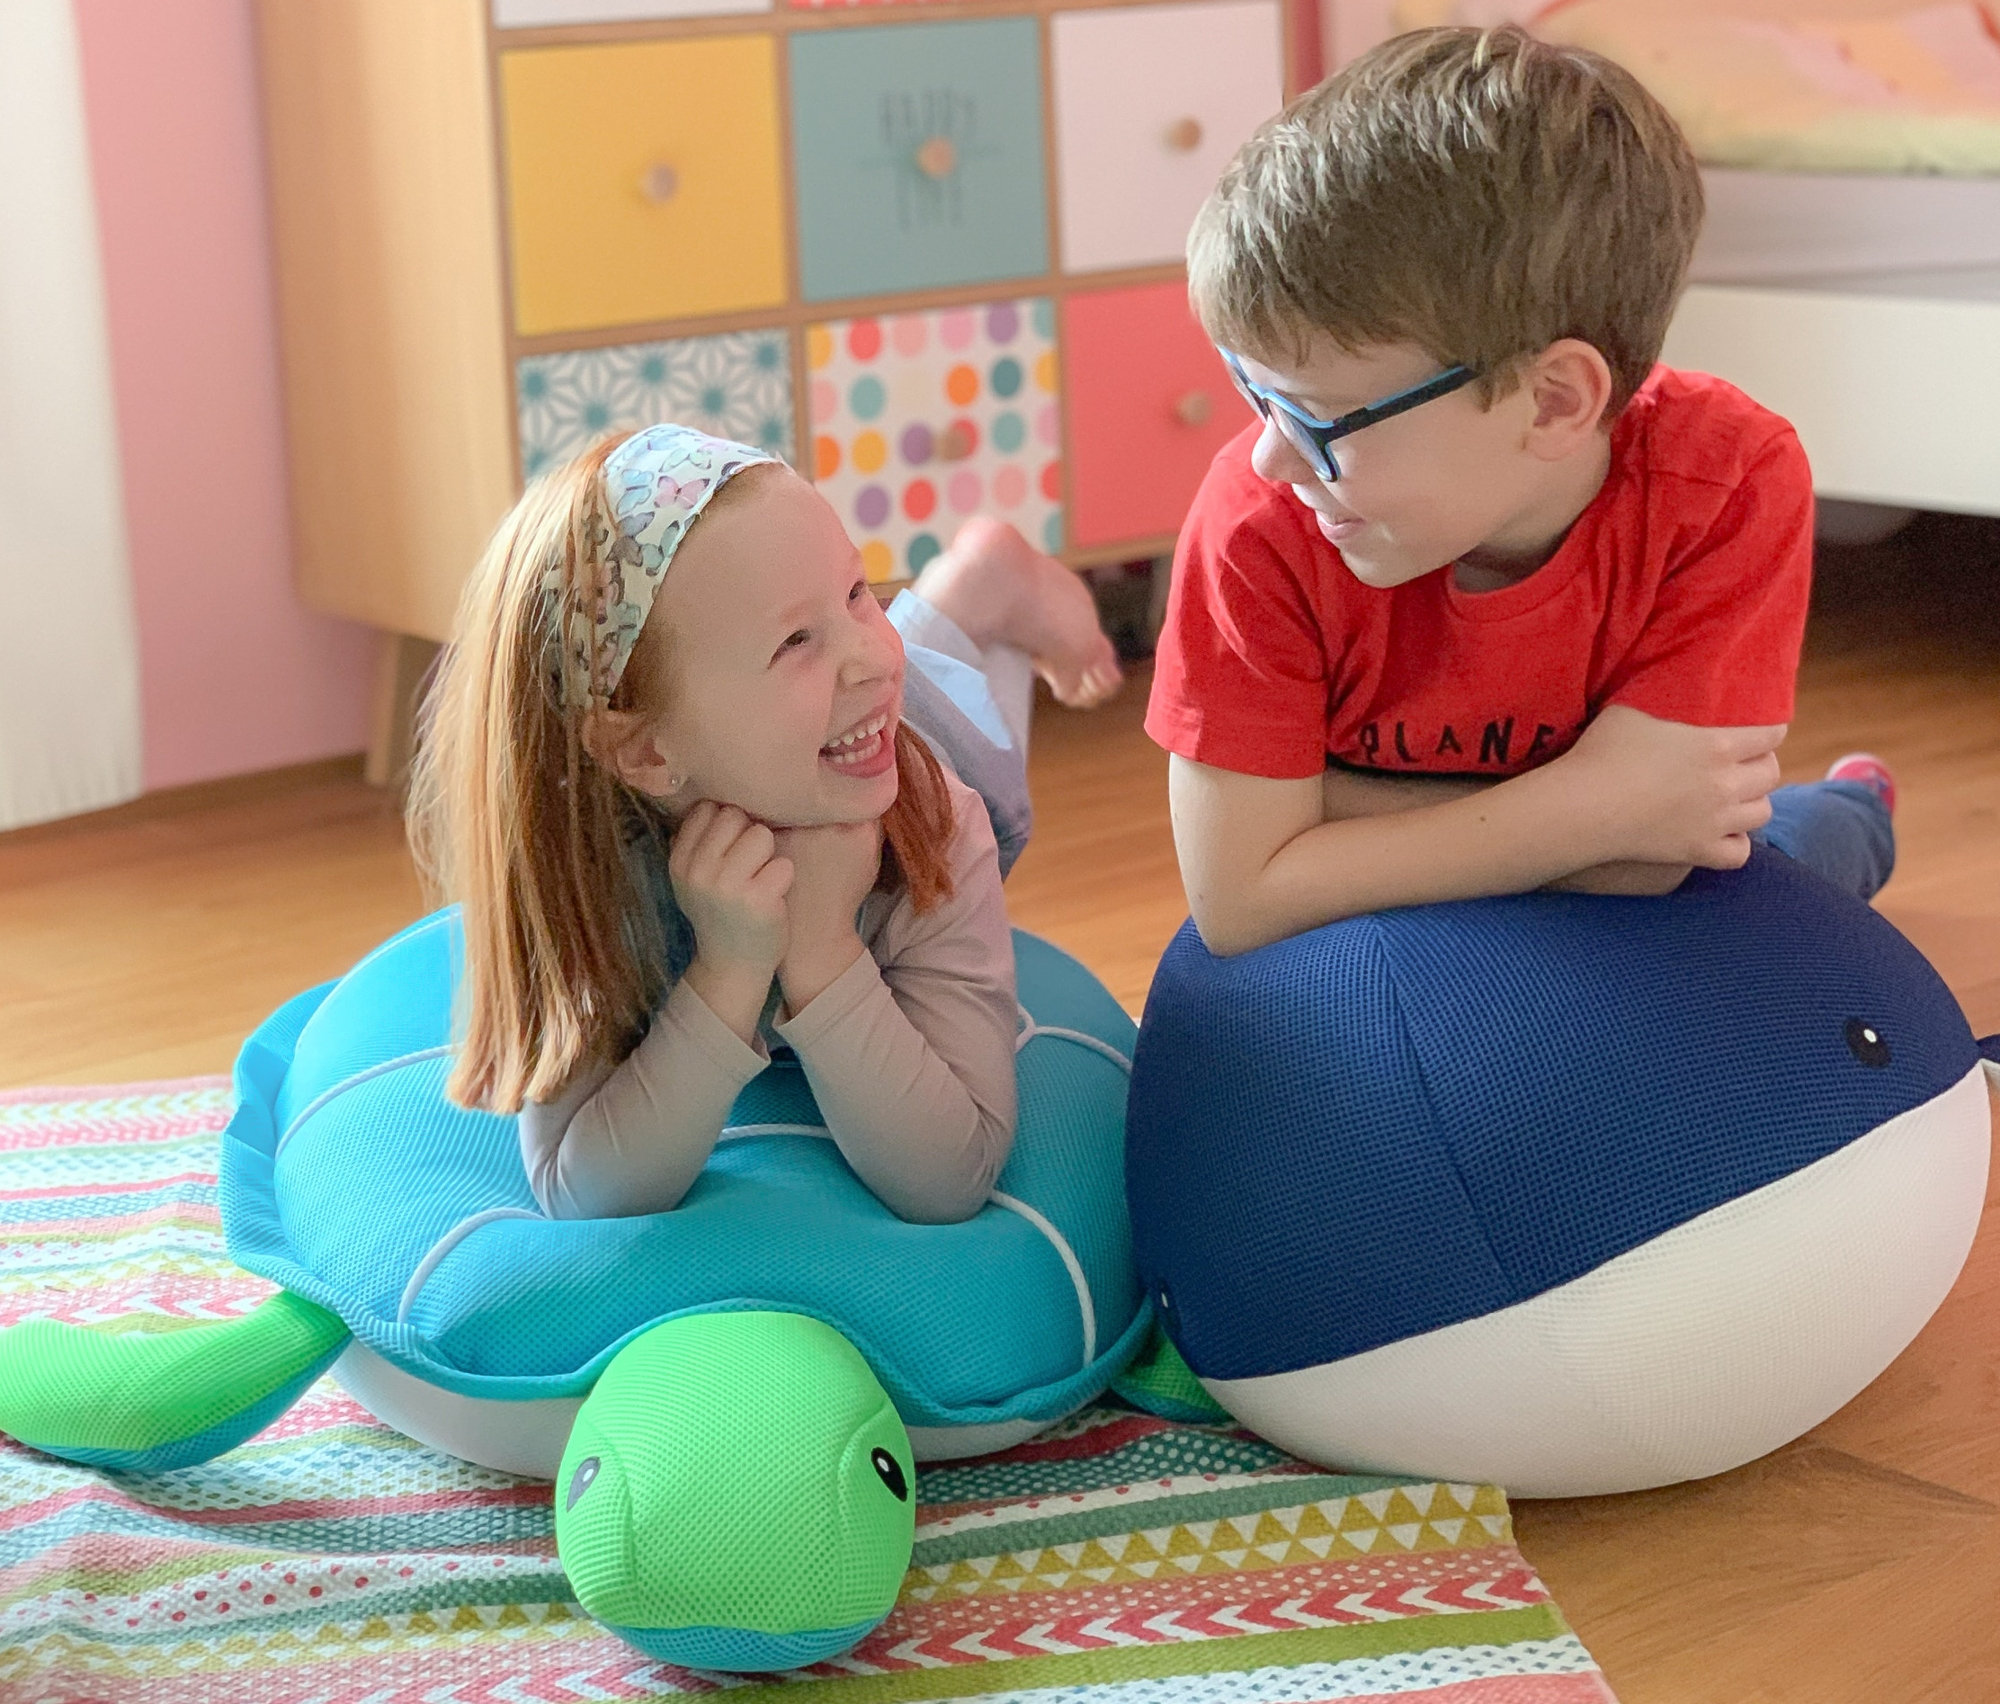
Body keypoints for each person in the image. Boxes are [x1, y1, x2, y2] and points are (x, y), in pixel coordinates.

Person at [1146, 25, 1896, 957]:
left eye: (1321, 415)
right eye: (1254, 394)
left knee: (1795, 849)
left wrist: (1315, 811)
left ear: (1551, 403)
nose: (1272, 460)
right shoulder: (1259, 523)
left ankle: (1858, 801)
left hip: (1640, 915)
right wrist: (1596, 808)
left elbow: (1653, 864)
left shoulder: (1731, 478)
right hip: (1446, 943)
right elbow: (1235, 900)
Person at [407, 423, 1120, 1224]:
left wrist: (823, 947)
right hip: (802, 745)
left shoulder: (936, 807)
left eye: (858, 590)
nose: (872, 653)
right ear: (643, 749)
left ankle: (982, 585)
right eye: (794, 642)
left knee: (939, 691)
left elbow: (951, 1177)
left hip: (898, 737)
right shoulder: (586, 869)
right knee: (862, 688)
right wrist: (729, 973)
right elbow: (583, 1188)